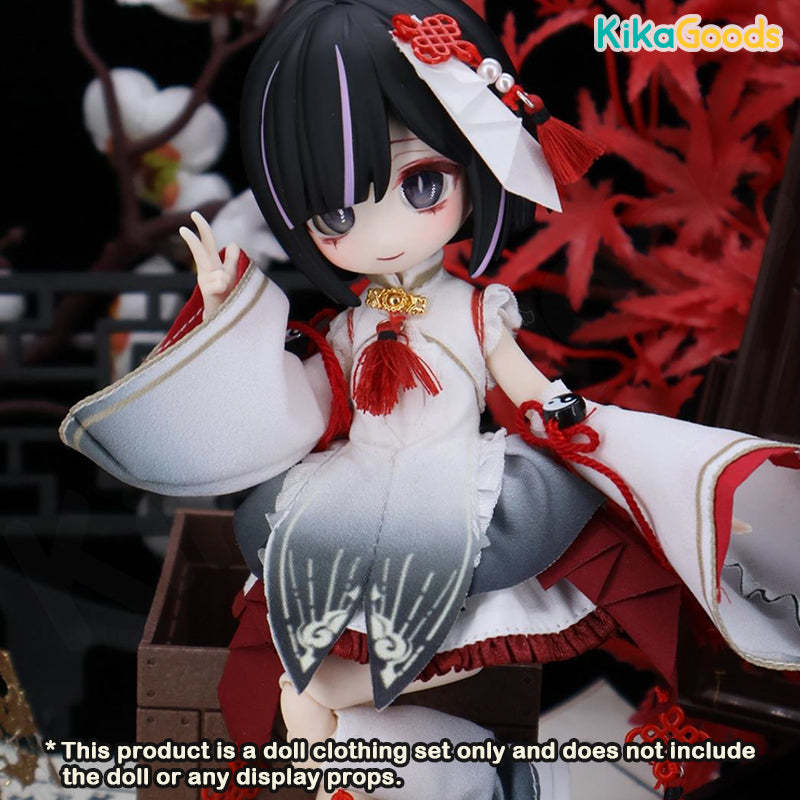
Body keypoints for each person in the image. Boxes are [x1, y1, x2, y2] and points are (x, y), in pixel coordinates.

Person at [61, 2, 800, 798]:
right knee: (322, 611)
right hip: (356, 479)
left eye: (421, 183)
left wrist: (565, 415)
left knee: (490, 596)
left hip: (451, 480)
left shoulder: (476, 310)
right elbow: (302, 403)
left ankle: (356, 713)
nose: (384, 232)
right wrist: (224, 317)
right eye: (338, 212)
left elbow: (520, 379)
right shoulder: (350, 325)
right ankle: (332, 721)